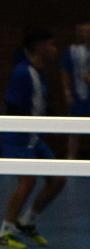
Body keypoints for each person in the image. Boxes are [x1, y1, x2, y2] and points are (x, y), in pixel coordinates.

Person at [0, 29, 67, 249]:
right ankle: (4, 232)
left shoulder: (40, 72)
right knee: (28, 181)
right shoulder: (22, 72)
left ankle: (26, 221)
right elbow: (11, 106)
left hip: (34, 137)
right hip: (18, 135)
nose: (54, 50)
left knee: (58, 180)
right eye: (50, 45)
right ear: (38, 47)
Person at [60, 21, 90, 159]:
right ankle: (70, 157)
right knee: (75, 129)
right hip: (79, 95)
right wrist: (67, 91)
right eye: (83, 31)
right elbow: (65, 71)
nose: (86, 34)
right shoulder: (72, 51)